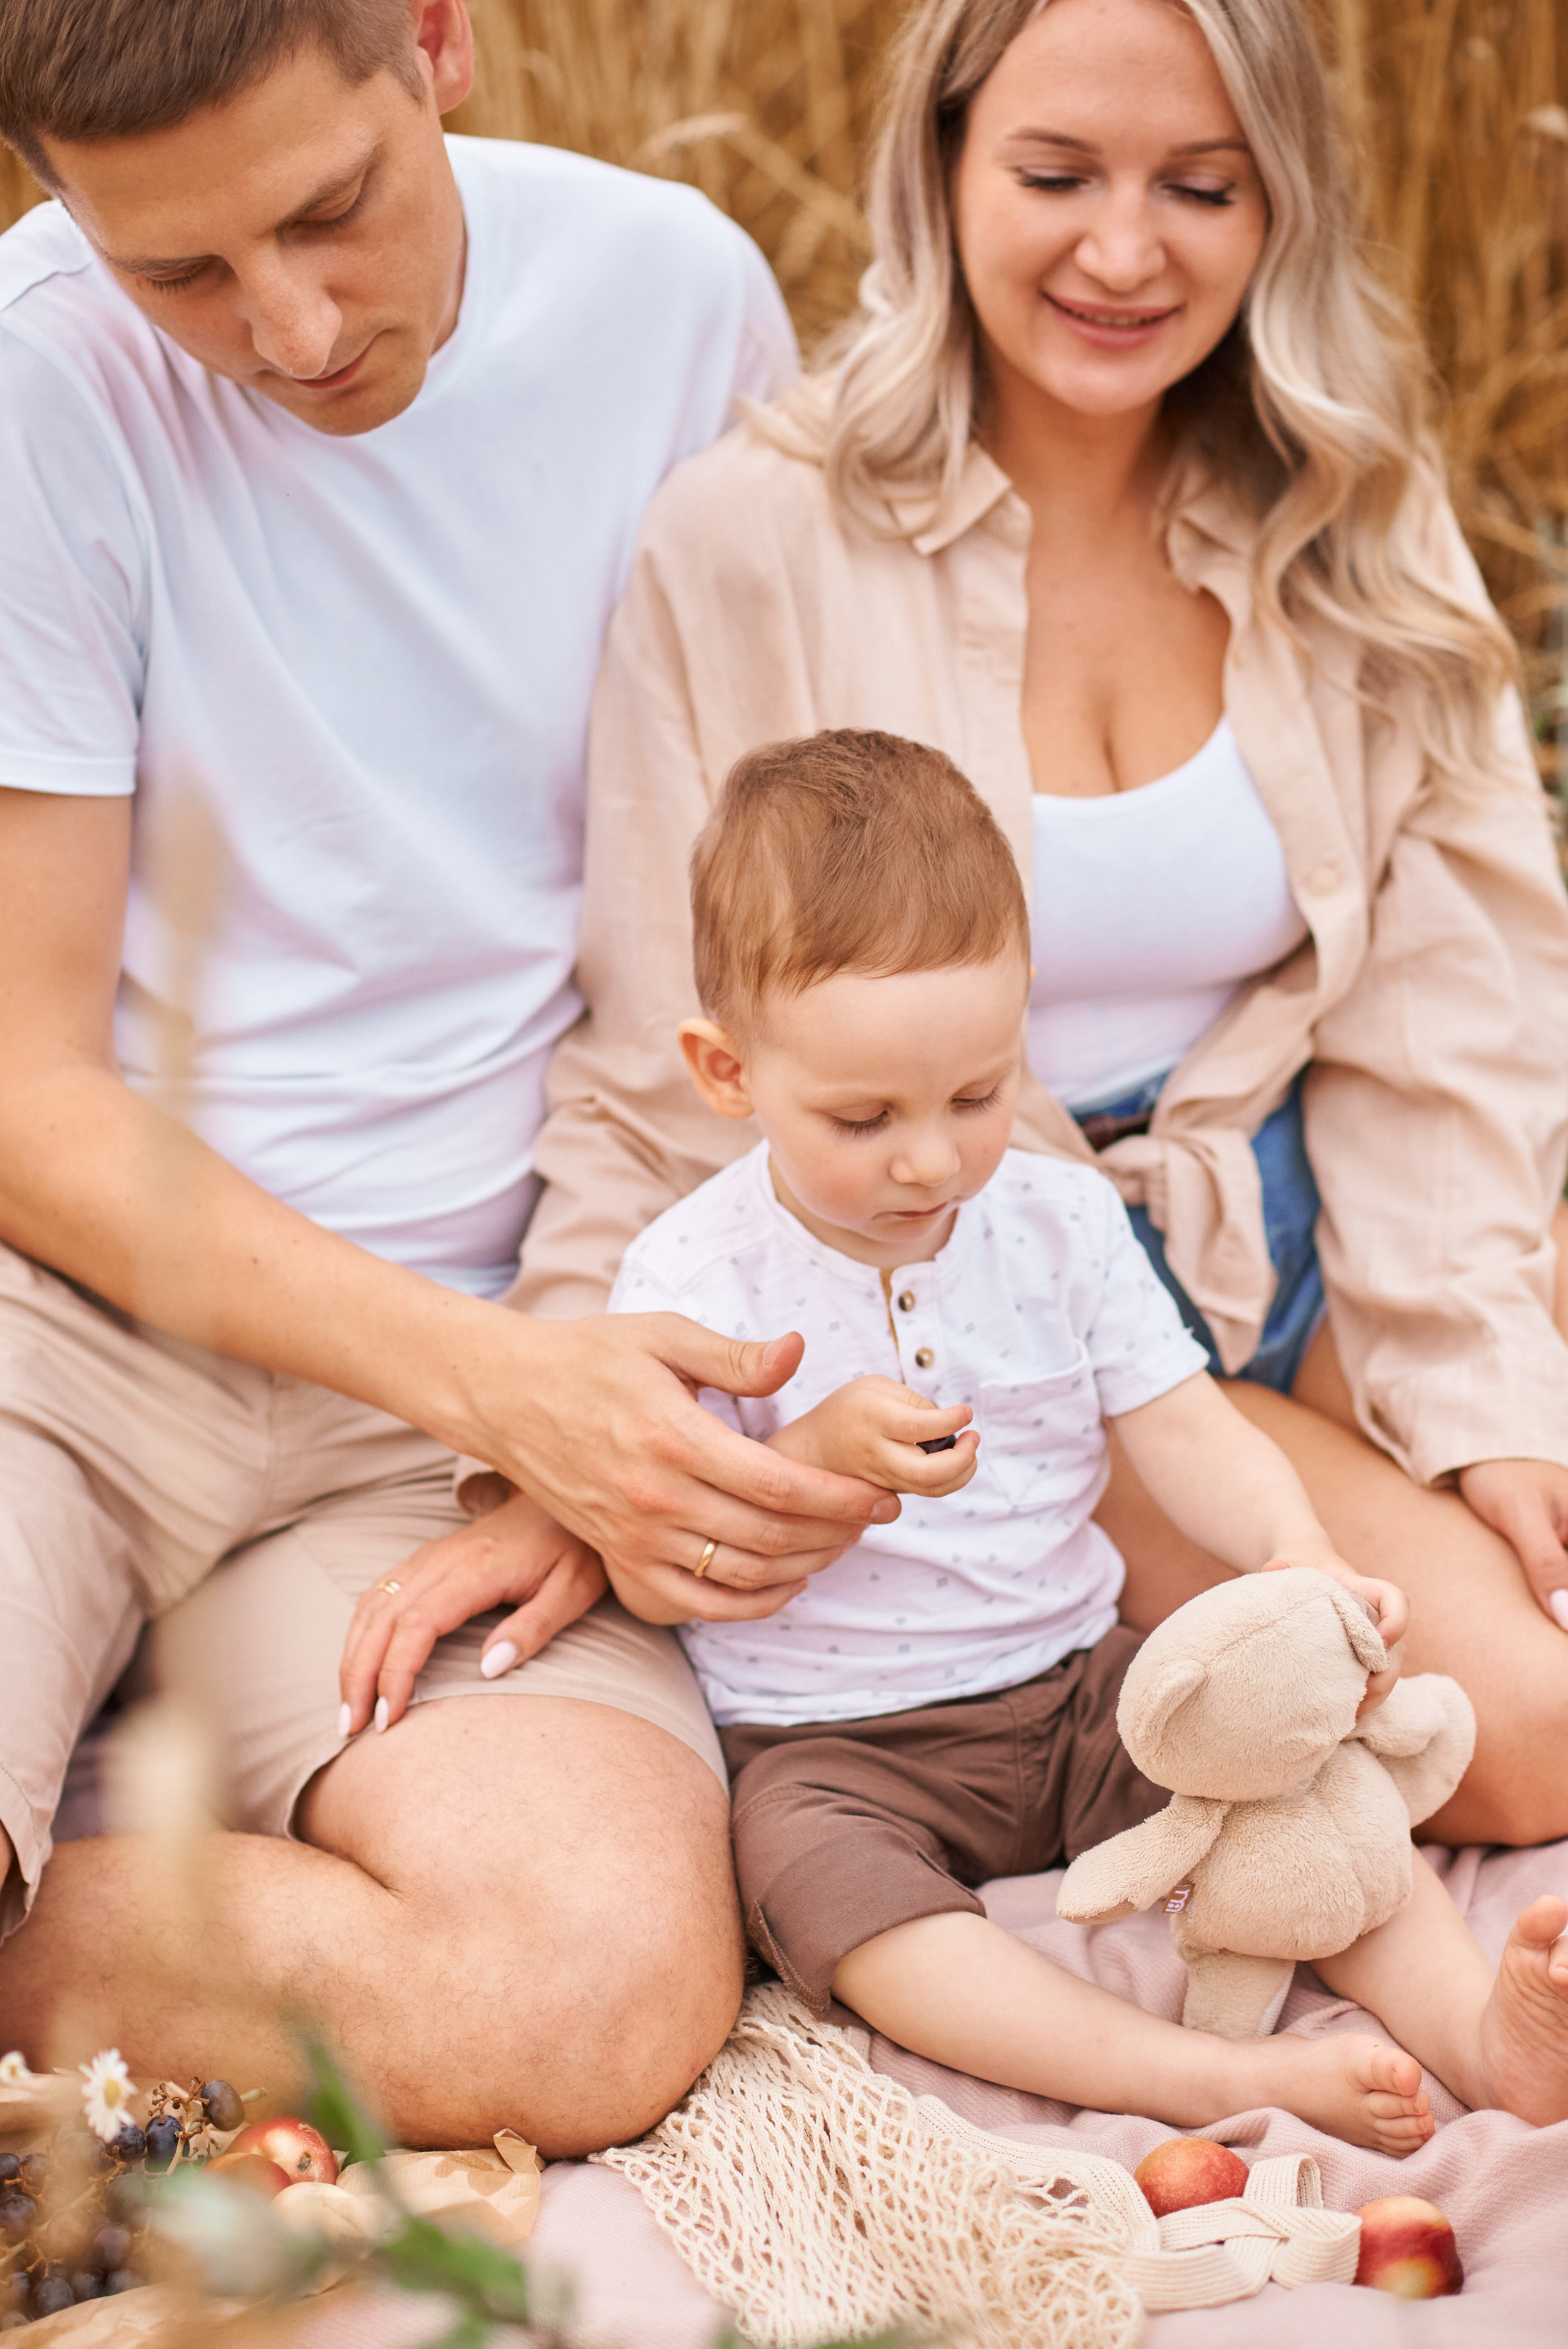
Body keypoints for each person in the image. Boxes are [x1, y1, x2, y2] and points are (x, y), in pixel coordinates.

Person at [486, 0, 1568, 1847]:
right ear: (944, 166)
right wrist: (556, 1432)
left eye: (1202, 187)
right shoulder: (752, 537)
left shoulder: (1353, 512)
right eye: (1056, 174)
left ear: (1279, 204)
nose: (1126, 252)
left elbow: (1459, 1005)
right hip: (1012, 1294)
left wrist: (1486, 1394)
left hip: (1340, 1219)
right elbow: (662, 1060)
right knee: (1522, 1727)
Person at [0, 0, 903, 2157]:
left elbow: (745, 955)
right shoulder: (33, 376)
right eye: (180, 275)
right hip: (63, 1336)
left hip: (476, 1362)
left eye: (333, 212)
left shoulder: (676, 300)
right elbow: (27, 1092)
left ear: (440, 40)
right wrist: (511, 1392)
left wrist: (568, 1388)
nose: (293, 328)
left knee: (594, 1991)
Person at [606, 725, 1568, 2145]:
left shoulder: (1053, 1222)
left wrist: (1292, 1552)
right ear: (727, 1070)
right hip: (830, 1741)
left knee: (1307, 1778)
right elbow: (663, 1557)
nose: (930, 1158)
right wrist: (810, 1452)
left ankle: (1477, 2036)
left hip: (1075, 1682)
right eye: (862, 1117)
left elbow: (1181, 1430)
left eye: (977, 1095)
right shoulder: (691, 1278)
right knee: (833, 1902)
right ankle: (1194, 2078)